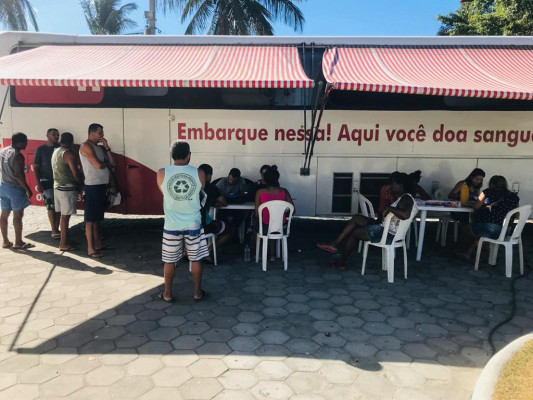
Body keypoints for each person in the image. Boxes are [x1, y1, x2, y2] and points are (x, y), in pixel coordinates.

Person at [317, 172, 415, 270]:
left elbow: (405, 215)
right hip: (384, 227)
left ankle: (341, 263)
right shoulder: (402, 197)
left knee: (355, 232)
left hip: (386, 234)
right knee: (356, 218)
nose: (390, 186)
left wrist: (389, 208)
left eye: (392, 183)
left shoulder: (406, 198)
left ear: (400, 185)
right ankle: (335, 244)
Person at [157, 141, 209, 303]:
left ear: (172, 155)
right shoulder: (199, 173)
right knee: (195, 259)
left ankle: (167, 294)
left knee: (169, 260)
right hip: (193, 223)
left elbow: (165, 194)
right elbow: (200, 191)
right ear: (189, 155)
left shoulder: (161, 173)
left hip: (171, 225)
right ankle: (197, 293)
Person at [455, 175, 519, 262]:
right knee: (481, 231)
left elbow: (476, 206)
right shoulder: (514, 197)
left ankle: (464, 251)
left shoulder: (488, 192)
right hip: (505, 231)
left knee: (466, 229)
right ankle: (471, 252)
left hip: (489, 229)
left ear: (491, 184)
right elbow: (517, 215)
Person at [79, 123, 115, 258]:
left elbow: (113, 162)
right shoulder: (86, 146)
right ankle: (90, 248)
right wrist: (107, 164)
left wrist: (107, 147)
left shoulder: (98, 148)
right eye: (100, 133)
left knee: (97, 218)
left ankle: (98, 244)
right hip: (92, 186)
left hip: (101, 185)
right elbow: (98, 165)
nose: (102, 135)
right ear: (92, 133)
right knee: (90, 219)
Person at [0, 132, 34, 249]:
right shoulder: (18, 155)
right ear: (19, 142)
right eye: (25, 141)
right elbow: (19, 175)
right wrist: (27, 189)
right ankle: (18, 242)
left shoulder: (3, 151)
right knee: (18, 215)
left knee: (4, 214)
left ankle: (5, 241)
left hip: (3, 186)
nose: (26, 144)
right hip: (15, 188)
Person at [254, 165, 295, 260]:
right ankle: (272, 255)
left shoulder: (259, 192)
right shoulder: (284, 191)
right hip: (282, 227)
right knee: (274, 224)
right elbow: (293, 210)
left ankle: (259, 253)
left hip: (265, 228)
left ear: (265, 180)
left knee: (258, 225)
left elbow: (257, 214)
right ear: (277, 179)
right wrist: (281, 214)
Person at [52, 132, 83, 252]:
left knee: (62, 216)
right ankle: (64, 243)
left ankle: (66, 240)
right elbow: (75, 173)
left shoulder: (56, 151)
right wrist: (81, 184)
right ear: (72, 142)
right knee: (65, 217)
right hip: (67, 188)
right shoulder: (68, 154)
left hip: (57, 186)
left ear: (61, 141)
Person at [198, 163, 235, 261]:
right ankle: (208, 251)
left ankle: (186, 251)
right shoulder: (211, 187)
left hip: (186, 225)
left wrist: (212, 202)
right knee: (230, 230)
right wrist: (215, 201)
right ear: (208, 175)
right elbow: (224, 203)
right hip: (203, 225)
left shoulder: (191, 186)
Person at [33, 128, 60, 239]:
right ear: (47, 135)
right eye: (54, 134)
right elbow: (36, 167)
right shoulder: (41, 149)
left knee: (59, 207)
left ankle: (57, 228)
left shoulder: (60, 148)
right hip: (46, 181)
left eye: (58, 135)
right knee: (50, 207)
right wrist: (38, 183)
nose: (56, 136)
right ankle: (54, 229)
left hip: (60, 181)